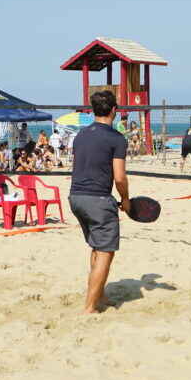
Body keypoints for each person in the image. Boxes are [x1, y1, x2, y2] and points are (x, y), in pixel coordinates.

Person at [68, 90, 130, 314]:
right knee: (105, 252)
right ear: (114, 110)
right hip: (98, 199)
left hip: (75, 198)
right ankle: (89, 308)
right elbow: (120, 177)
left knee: (96, 247)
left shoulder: (81, 135)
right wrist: (125, 199)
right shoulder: (116, 138)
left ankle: (100, 295)